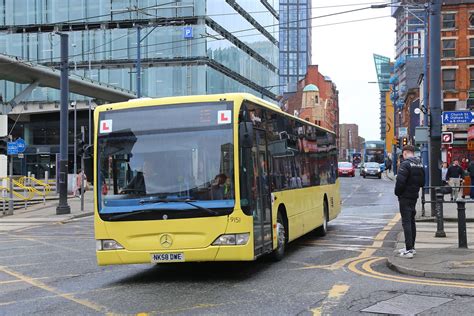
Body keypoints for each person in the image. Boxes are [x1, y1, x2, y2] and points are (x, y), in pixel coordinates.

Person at [394, 145, 425, 259]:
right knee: (412, 221)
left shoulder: (405, 164)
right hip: (414, 196)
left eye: (403, 154)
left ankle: (408, 250)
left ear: (405, 153)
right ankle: (411, 247)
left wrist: (398, 193)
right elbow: (422, 182)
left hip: (405, 197)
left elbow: (400, 183)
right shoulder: (419, 163)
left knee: (406, 222)